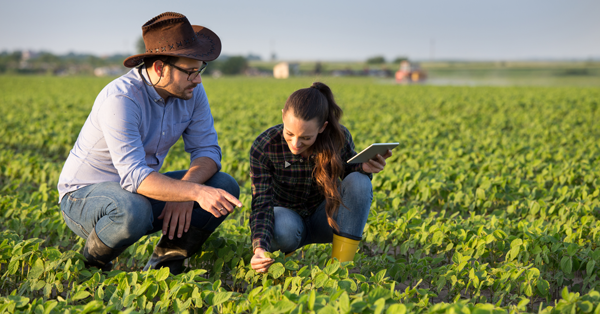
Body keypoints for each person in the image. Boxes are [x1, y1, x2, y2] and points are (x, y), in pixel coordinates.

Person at [57, 12, 242, 275]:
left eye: (199, 69)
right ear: (159, 68)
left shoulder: (192, 91)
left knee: (224, 185)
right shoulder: (121, 99)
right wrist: (192, 193)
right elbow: (135, 178)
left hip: (136, 190)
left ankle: (164, 269)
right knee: (133, 209)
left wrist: (187, 189)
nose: (198, 79)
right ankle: (91, 267)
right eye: (190, 71)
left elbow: (208, 151)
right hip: (83, 197)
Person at [249, 82, 392, 273]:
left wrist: (364, 167)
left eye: (306, 138)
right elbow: (262, 203)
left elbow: (352, 179)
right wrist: (259, 248)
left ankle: (340, 271)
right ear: (283, 116)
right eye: (289, 134)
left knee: (360, 181)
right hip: (288, 221)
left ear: (322, 127)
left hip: (325, 217)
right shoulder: (265, 146)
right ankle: (280, 271)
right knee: (281, 224)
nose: (296, 143)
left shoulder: (337, 137)